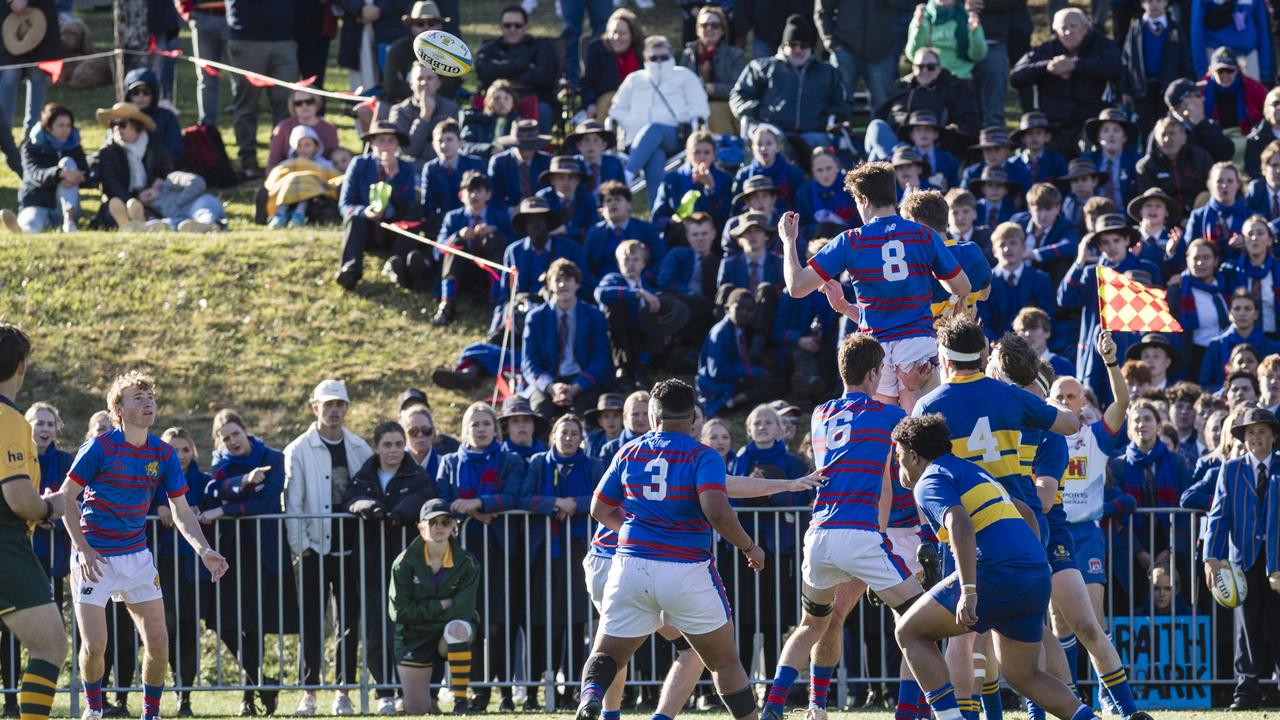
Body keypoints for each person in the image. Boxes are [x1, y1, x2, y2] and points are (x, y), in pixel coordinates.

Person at [891, 413, 1106, 720]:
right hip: (1034, 572)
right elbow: (1027, 514)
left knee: (909, 632)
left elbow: (959, 523)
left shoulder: (929, 480)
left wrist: (968, 590)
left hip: (996, 571)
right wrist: (1034, 566)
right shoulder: (973, 471)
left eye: (898, 458)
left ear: (913, 455)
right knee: (1025, 676)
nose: (898, 467)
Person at [574, 379, 764, 720]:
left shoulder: (629, 451)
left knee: (608, 654)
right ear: (693, 418)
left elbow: (599, 508)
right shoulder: (702, 455)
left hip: (630, 567)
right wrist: (749, 547)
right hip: (685, 568)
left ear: (652, 415)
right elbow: (717, 510)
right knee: (723, 661)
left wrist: (637, 530)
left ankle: (589, 699)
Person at [759, 333, 921, 720]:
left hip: (819, 534)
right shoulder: (889, 417)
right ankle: (907, 711)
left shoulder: (820, 414)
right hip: (859, 532)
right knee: (921, 620)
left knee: (811, 625)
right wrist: (911, 388)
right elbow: (911, 439)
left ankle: (776, 706)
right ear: (873, 373)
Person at [59, 371, 228, 720]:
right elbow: (65, 500)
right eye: (139, 397)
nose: (148, 402)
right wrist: (84, 549)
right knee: (95, 646)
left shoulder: (163, 454)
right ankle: (93, 708)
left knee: (159, 641)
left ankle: (151, 714)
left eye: (150, 396)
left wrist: (204, 549)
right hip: (94, 556)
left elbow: (181, 510)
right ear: (118, 408)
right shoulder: (99, 447)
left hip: (137, 557)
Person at [780, 161, 971, 410]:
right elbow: (962, 287)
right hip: (917, 343)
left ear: (864, 200)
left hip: (876, 350)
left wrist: (788, 241)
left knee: (889, 433)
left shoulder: (849, 241)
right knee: (927, 430)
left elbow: (796, 287)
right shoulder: (923, 235)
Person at [283, 379, 373, 717]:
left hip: (350, 551)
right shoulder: (299, 448)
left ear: (347, 408)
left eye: (340, 404)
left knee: (349, 623)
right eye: (328, 404)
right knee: (312, 624)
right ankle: (309, 692)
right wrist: (301, 546)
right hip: (314, 550)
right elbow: (293, 503)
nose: (334, 411)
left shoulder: (360, 448)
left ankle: (343, 691)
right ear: (315, 408)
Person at [435, 401, 529, 712]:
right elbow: (443, 500)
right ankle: (475, 691)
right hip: (462, 555)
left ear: (496, 428)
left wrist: (476, 503)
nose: (481, 429)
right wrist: (478, 510)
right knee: (469, 623)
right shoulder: (449, 462)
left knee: (499, 625)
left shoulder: (510, 460)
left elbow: (513, 496)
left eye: (486, 423)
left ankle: (502, 691)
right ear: (465, 430)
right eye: (474, 424)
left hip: (501, 553)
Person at [342, 420, 435, 715]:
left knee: (408, 629)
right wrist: (364, 507)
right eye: (387, 445)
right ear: (377, 447)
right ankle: (384, 690)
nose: (394, 450)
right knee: (376, 631)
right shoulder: (365, 475)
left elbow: (426, 497)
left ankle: (410, 693)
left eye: (398, 444)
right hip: (370, 566)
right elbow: (349, 499)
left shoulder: (416, 474)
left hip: (408, 568)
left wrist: (401, 512)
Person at [0, 325, 69, 720]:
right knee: (51, 646)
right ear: (22, 366)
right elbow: (20, 501)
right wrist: (50, 508)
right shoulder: (9, 421)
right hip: (6, 543)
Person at [199, 409, 288, 717]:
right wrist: (242, 484)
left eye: (236, 434)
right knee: (223, 621)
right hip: (231, 551)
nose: (232, 441)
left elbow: (267, 501)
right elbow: (212, 492)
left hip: (264, 551)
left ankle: (248, 698)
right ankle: (264, 682)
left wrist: (224, 510)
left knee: (255, 626)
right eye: (225, 438)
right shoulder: (220, 465)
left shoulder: (273, 457)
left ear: (246, 431)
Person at [1203, 406, 1280, 710]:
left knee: (1278, 624)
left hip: (1278, 563)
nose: (1256, 438)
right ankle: (1245, 692)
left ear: (1273, 436)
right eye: (1250, 432)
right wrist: (1212, 556)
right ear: (1243, 438)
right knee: (1245, 628)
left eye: (1262, 431)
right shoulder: (1231, 469)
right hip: (1244, 560)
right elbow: (1219, 515)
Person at [388, 499, 479, 714]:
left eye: (445, 521)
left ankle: (460, 701)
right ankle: (428, 702)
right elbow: (399, 612)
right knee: (418, 710)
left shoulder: (468, 563)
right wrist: (440, 605)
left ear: (453, 527)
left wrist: (424, 611)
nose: (438, 527)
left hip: (445, 634)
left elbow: (462, 611)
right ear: (421, 528)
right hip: (413, 637)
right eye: (432, 523)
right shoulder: (403, 563)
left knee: (458, 628)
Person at [608, 35, 708, 209]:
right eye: (654, 58)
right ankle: (657, 214)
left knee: (655, 129)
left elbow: (700, 108)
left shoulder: (684, 76)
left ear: (671, 57)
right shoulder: (634, 79)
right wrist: (632, 123)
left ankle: (625, 177)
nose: (659, 62)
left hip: (675, 137)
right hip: (638, 141)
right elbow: (616, 110)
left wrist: (682, 118)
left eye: (664, 57)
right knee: (655, 155)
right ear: (646, 59)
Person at [1009, 9, 1124, 156]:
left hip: (1090, 121)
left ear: (1085, 27)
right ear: (1056, 31)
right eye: (1063, 28)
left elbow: (1116, 69)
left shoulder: (1102, 45)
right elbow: (1016, 77)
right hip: (1053, 123)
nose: (1068, 32)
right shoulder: (1046, 50)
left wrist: (1076, 65)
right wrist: (1047, 66)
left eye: (1073, 26)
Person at [730, 14, 850, 153]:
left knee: (822, 147)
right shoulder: (761, 68)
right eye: (792, 44)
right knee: (772, 143)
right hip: (774, 133)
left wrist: (828, 119)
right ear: (784, 45)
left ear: (811, 47)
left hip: (815, 134)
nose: (798, 50)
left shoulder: (828, 73)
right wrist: (757, 110)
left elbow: (842, 103)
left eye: (803, 45)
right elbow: (738, 96)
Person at [151, 427, 207, 717]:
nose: (181, 456)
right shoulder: (150, 479)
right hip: (160, 565)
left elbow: (214, 499)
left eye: (186, 449)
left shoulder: (203, 479)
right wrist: (159, 506)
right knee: (166, 628)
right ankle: (160, 690)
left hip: (191, 568)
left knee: (188, 630)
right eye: (173, 449)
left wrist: (204, 513)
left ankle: (184, 697)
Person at [336, 122, 423, 291]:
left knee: (415, 209)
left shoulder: (406, 167)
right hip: (366, 228)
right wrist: (365, 212)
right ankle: (350, 270)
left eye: (391, 140)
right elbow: (345, 204)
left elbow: (408, 202)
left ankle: (396, 262)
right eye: (381, 140)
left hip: (395, 229)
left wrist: (395, 177)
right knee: (354, 218)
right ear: (372, 143)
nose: (386, 146)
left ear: (397, 144)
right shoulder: (360, 164)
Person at [521, 258, 612, 418]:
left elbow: (600, 358)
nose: (563, 285)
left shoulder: (593, 315)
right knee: (541, 414)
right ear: (549, 284)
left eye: (568, 279)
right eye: (557, 280)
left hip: (583, 379)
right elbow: (529, 362)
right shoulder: (535, 318)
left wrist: (577, 386)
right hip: (549, 379)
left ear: (577, 283)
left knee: (585, 415)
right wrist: (550, 387)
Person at [224, 0, 300, 179]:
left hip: (284, 38)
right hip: (247, 38)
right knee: (246, 104)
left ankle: (280, 159)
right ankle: (248, 161)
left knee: (287, 104)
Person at [432, 171, 513, 325]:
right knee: (457, 244)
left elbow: (513, 246)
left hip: (487, 274)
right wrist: (458, 236)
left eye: (479, 191)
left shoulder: (499, 217)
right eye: (470, 191)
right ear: (461, 195)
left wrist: (494, 232)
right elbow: (437, 251)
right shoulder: (453, 218)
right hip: (460, 273)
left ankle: (494, 300)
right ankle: (447, 304)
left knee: (494, 240)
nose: (474, 196)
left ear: (488, 195)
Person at [872, 48, 982, 159]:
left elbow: (969, 123)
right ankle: (892, 159)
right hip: (896, 144)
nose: (925, 71)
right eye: (920, 67)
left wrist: (943, 133)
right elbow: (881, 115)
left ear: (939, 69)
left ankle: (890, 165)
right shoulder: (901, 87)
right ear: (913, 69)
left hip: (930, 145)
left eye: (931, 67)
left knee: (875, 155)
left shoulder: (952, 89)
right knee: (876, 126)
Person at [1, 102, 88, 234]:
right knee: (31, 224)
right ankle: (21, 231)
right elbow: (35, 173)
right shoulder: (31, 148)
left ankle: (69, 221)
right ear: (48, 127)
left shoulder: (74, 148)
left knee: (68, 162)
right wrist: (60, 174)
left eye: (68, 125)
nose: (66, 130)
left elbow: (86, 173)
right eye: (60, 125)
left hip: (65, 207)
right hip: (37, 203)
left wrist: (77, 176)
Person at [91, 103, 173, 231]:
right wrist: (137, 199)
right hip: (121, 201)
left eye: (122, 124)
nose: (117, 128)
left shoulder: (155, 146)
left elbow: (167, 172)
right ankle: (135, 223)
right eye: (113, 125)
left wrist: (156, 188)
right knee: (114, 212)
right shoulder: (108, 152)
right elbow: (111, 185)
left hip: (154, 198)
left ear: (137, 126)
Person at [474, 6, 559, 127]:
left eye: (517, 25)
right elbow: (484, 74)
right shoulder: (490, 48)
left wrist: (501, 68)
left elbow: (545, 75)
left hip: (533, 98)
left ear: (526, 27)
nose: (512, 29)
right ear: (500, 27)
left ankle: (537, 146)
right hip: (496, 100)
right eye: (507, 25)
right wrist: (525, 66)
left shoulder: (541, 46)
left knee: (543, 110)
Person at [815, 0, 901, 115]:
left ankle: (879, 133)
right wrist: (829, 40)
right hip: (844, 49)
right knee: (839, 102)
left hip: (881, 51)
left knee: (883, 106)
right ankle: (840, 132)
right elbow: (822, 11)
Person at [1119, 0, 1191, 135]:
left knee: (1167, 126)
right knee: (1145, 129)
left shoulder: (1174, 28)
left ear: (1166, 3)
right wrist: (1125, 89)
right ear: (1142, 4)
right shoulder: (1136, 28)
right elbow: (1126, 60)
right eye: (1150, 1)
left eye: (1159, 1)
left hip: (1167, 88)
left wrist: (1186, 85)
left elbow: (1184, 59)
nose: (1154, 5)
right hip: (1142, 89)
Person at [677, 5, 745, 136]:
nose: (709, 28)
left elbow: (738, 90)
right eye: (704, 25)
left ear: (722, 30)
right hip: (692, 107)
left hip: (723, 107)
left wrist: (711, 88)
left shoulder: (735, 55)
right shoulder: (687, 54)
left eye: (714, 25)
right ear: (697, 30)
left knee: (713, 110)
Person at [651, 130, 734, 232]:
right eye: (696, 152)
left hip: (714, 238)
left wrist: (711, 188)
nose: (702, 157)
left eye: (707, 152)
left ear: (714, 155)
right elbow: (657, 219)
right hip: (681, 238)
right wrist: (671, 221)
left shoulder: (725, 179)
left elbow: (727, 216)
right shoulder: (672, 180)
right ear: (688, 154)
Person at [0, 0, 59, 134]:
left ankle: (32, 136)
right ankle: (4, 137)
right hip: (5, 13)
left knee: (37, 73)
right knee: (9, 73)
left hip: (39, 11)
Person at [381, 1, 455, 108]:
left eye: (431, 23)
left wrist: (426, 97)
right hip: (401, 105)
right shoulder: (398, 49)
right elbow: (392, 86)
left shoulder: (450, 52)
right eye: (420, 23)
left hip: (440, 105)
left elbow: (450, 85)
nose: (426, 27)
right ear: (411, 27)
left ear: (440, 26)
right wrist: (419, 95)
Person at [388, 64, 461, 165]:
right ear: (411, 84)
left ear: (438, 83)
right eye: (419, 78)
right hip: (412, 170)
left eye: (429, 78)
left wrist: (422, 151)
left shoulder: (450, 108)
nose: (424, 83)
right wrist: (424, 117)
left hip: (443, 167)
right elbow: (408, 150)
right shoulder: (399, 111)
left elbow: (455, 146)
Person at [581, 9, 645, 123]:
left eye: (622, 33)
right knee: (609, 99)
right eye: (613, 32)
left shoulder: (642, 52)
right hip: (605, 103)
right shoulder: (596, 49)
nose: (616, 37)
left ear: (633, 35)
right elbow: (588, 81)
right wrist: (590, 103)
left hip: (637, 100)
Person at [905, 0, 987, 80]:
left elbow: (978, 56)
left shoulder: (967, 16)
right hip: (930, 78)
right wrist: (918, 29)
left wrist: (975, 33)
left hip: (959, 78)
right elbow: (913, 56)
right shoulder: (923, 15)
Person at [265, 90, 340, 172]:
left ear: (317, 102)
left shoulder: (329, 129)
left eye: (309, 101)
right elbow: (272, 165)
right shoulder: (282, 127)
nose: (304, 106)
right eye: (298, 103)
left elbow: (335, 164)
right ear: (293, 106)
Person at [487, 119, 553, 211]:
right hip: (509, 214)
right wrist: (512, 210)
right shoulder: (499, 162)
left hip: (541, 212)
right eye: (521, 146)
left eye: (530, 146)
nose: (525, 150)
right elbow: (494, 198)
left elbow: (551, 194)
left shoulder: (546, 161)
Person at [121, 68, 183, 167]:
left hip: (163, 173)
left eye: (146, 92)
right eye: (135, 92)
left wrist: (159, 174)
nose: (141, 96)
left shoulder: (167, 117)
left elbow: (176, 151)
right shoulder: (120, 118)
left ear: (154, 93)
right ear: (128, 95)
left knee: (195, 182)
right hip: (128, 173)